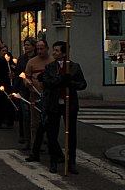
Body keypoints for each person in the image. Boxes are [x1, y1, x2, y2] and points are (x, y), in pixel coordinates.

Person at [41, 41, 87, 174]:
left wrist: (70, 82)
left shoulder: (74, 67)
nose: (54, 53)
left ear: (64, 53)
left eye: (57, 51)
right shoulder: (50, 67)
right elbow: (47, 82)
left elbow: (82, 84)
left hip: (69, 104)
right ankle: (53, 161)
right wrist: (60, 80)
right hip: (54, 104)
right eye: (54, 50)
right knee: (52, 133)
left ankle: (71, 161)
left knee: (71, 134)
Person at [24, 40, 55, 162]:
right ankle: (34, 147)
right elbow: (26, 77)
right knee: (35, 123)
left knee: (50, 122)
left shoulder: (52, 62)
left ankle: (51, 146)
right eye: (38, 49)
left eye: (42, 49)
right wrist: (28, 82)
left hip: (50, 97)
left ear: (47, 48)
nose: (40, 51)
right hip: (35, 96)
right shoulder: (31, 62)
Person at [14, 38, 36, 149]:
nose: (26, 47)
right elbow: (18, 74)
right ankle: (26, 138)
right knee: (25, 114)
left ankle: (37, 139)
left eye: (28, 45)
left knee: (36, 116)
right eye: (25, 45)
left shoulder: (37, 58)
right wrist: (15, 90)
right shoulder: (22, 59)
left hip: (35, 89)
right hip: (23, 89)